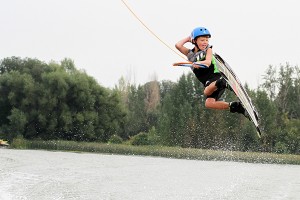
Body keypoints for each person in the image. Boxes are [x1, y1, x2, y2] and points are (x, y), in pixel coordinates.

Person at [175, 26, 247, 117]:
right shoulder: (190, 54)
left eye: (206, 40)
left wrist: (198, 63)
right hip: (211, 84)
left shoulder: (208, 50)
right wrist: (189, 38)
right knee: (209, 103)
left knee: (206, 92)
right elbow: (178, 45)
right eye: (202, 40)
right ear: (195, 41)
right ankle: (236, 107)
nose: (205, 42)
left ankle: (224, 82)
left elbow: (208, 62)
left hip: (215, 77)